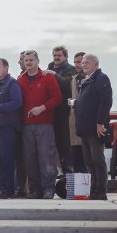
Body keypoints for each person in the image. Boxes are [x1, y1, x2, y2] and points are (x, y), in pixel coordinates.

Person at [18, 50, 62, 199]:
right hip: (26, 126)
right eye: (26, 60)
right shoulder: (20, 80)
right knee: (30, 159)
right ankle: (35, 189)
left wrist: (42, 108)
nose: (28, 63)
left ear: (38, 61)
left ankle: (49, 189)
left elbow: (57, 98)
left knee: (47, 157)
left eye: (31, 60)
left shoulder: (48, 77)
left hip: (44, 124)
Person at [73, 53, 113, 200]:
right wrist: (76, 104)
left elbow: (106, 101)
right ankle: (94, 189)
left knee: (97, 160)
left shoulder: (101, 78)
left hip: (95, 127)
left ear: (96, 64)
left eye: (87, 62)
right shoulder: (86, 80)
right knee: (89, 161)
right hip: (85, 128)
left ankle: (101, 191)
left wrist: (100, 122)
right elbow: (88, 102)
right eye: (82, 62)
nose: (83, 65)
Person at [0, 58, 23, 199]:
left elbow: (17, 102)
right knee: (0, 160)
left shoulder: (11, 83)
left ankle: (8, 190)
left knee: (7, 159)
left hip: (8, 127)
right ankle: (4, 188)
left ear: (6, 68)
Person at [47, 45, 78, 174]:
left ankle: (69, 172)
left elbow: (68, 85)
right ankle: (61, 173)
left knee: (67, 145)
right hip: (54, 112)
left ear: (65, 57)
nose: (56, 58)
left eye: (59, 55)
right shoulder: (50, 67)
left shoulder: (71, 69)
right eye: (55, 55)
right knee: (57, 144)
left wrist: (54, 75)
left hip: (65, 112)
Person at [13, 50, 28, 197]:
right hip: (20, 123)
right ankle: (22, 187)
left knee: (29, 157)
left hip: (31, 122)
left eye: (22, 59)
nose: (20, 62)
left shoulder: (42, 76)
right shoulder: (19, 78)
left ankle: (27, 188)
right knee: (20, 158)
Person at [69, 52, 87, 172]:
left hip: (87, 125)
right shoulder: (73, 79)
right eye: (75, 62)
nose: (77, 65)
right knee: (77, 159)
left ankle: (94, 187)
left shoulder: (92, 79)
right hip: (74, 125)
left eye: (80, 62)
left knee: (89, 159)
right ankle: (80, 189)